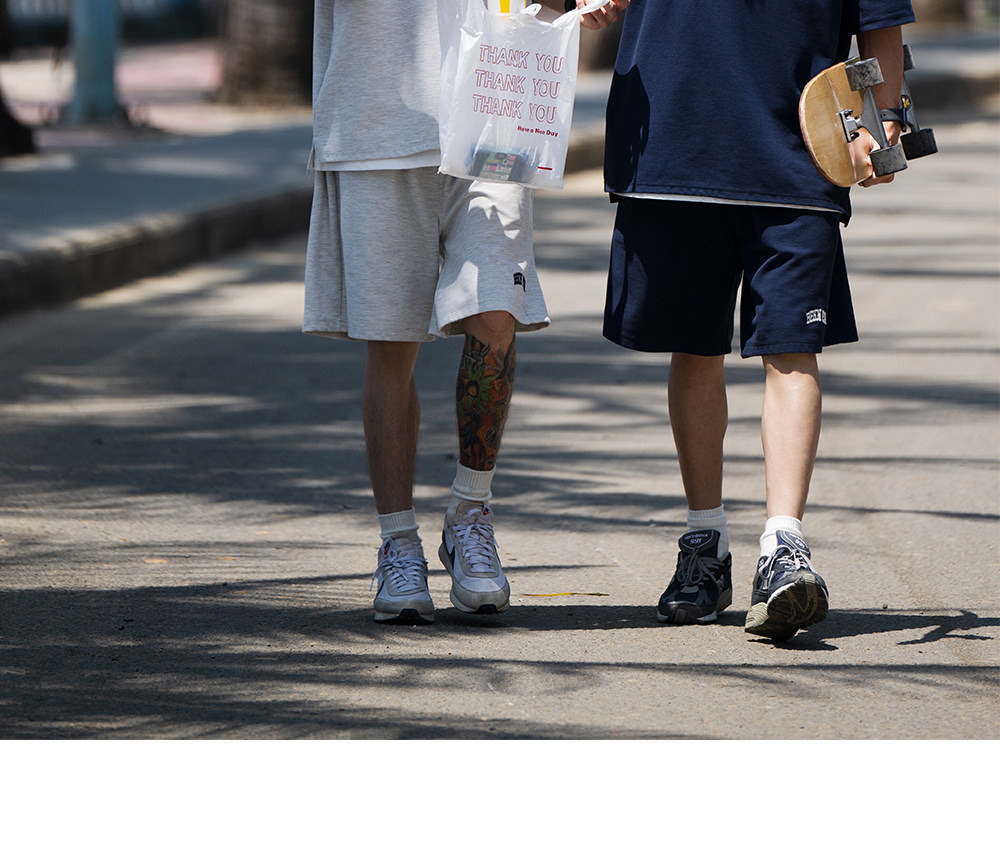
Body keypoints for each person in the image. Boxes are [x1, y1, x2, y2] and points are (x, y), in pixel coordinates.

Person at [600, 1, 916, 640]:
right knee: (693, 349)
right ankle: (704, 544)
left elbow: (880, 22)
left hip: (801, 151)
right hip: (669, 145)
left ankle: (783, 547)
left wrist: (884, 122)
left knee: (793, 349)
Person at [304, 0, 625, 624]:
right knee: (392, 343)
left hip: (495, 108)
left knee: (497, 316)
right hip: (377, 124)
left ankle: (469, 510)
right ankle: (398, 542)